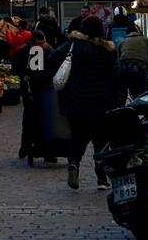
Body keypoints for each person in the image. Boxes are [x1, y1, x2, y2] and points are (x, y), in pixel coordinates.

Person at [48, 14, 121, 190]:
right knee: (101, 141)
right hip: (102, 102)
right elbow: (116, 75)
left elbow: (53, 59)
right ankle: (102, 178)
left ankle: (73, 164)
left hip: (75, 102)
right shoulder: (106, 50)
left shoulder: (72, 45)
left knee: (77, 137)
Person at [13, 30, 59, 163]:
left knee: (44, 119)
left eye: (44, 43)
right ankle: (27, 147)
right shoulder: (24, 52)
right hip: (31, 90)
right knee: (30, 119)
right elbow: (17, 68)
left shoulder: (49, 51)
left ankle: (46, 150)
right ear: (32, 42)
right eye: (40, 43)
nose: (43, 46)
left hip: (46, 89)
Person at [117, 23, 148, 98]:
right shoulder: (145, 40)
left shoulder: (122, 42)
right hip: (140, 66)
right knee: (143, 89)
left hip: (124, 67)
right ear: (137, 32)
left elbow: (118, 58)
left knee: (129, 86)